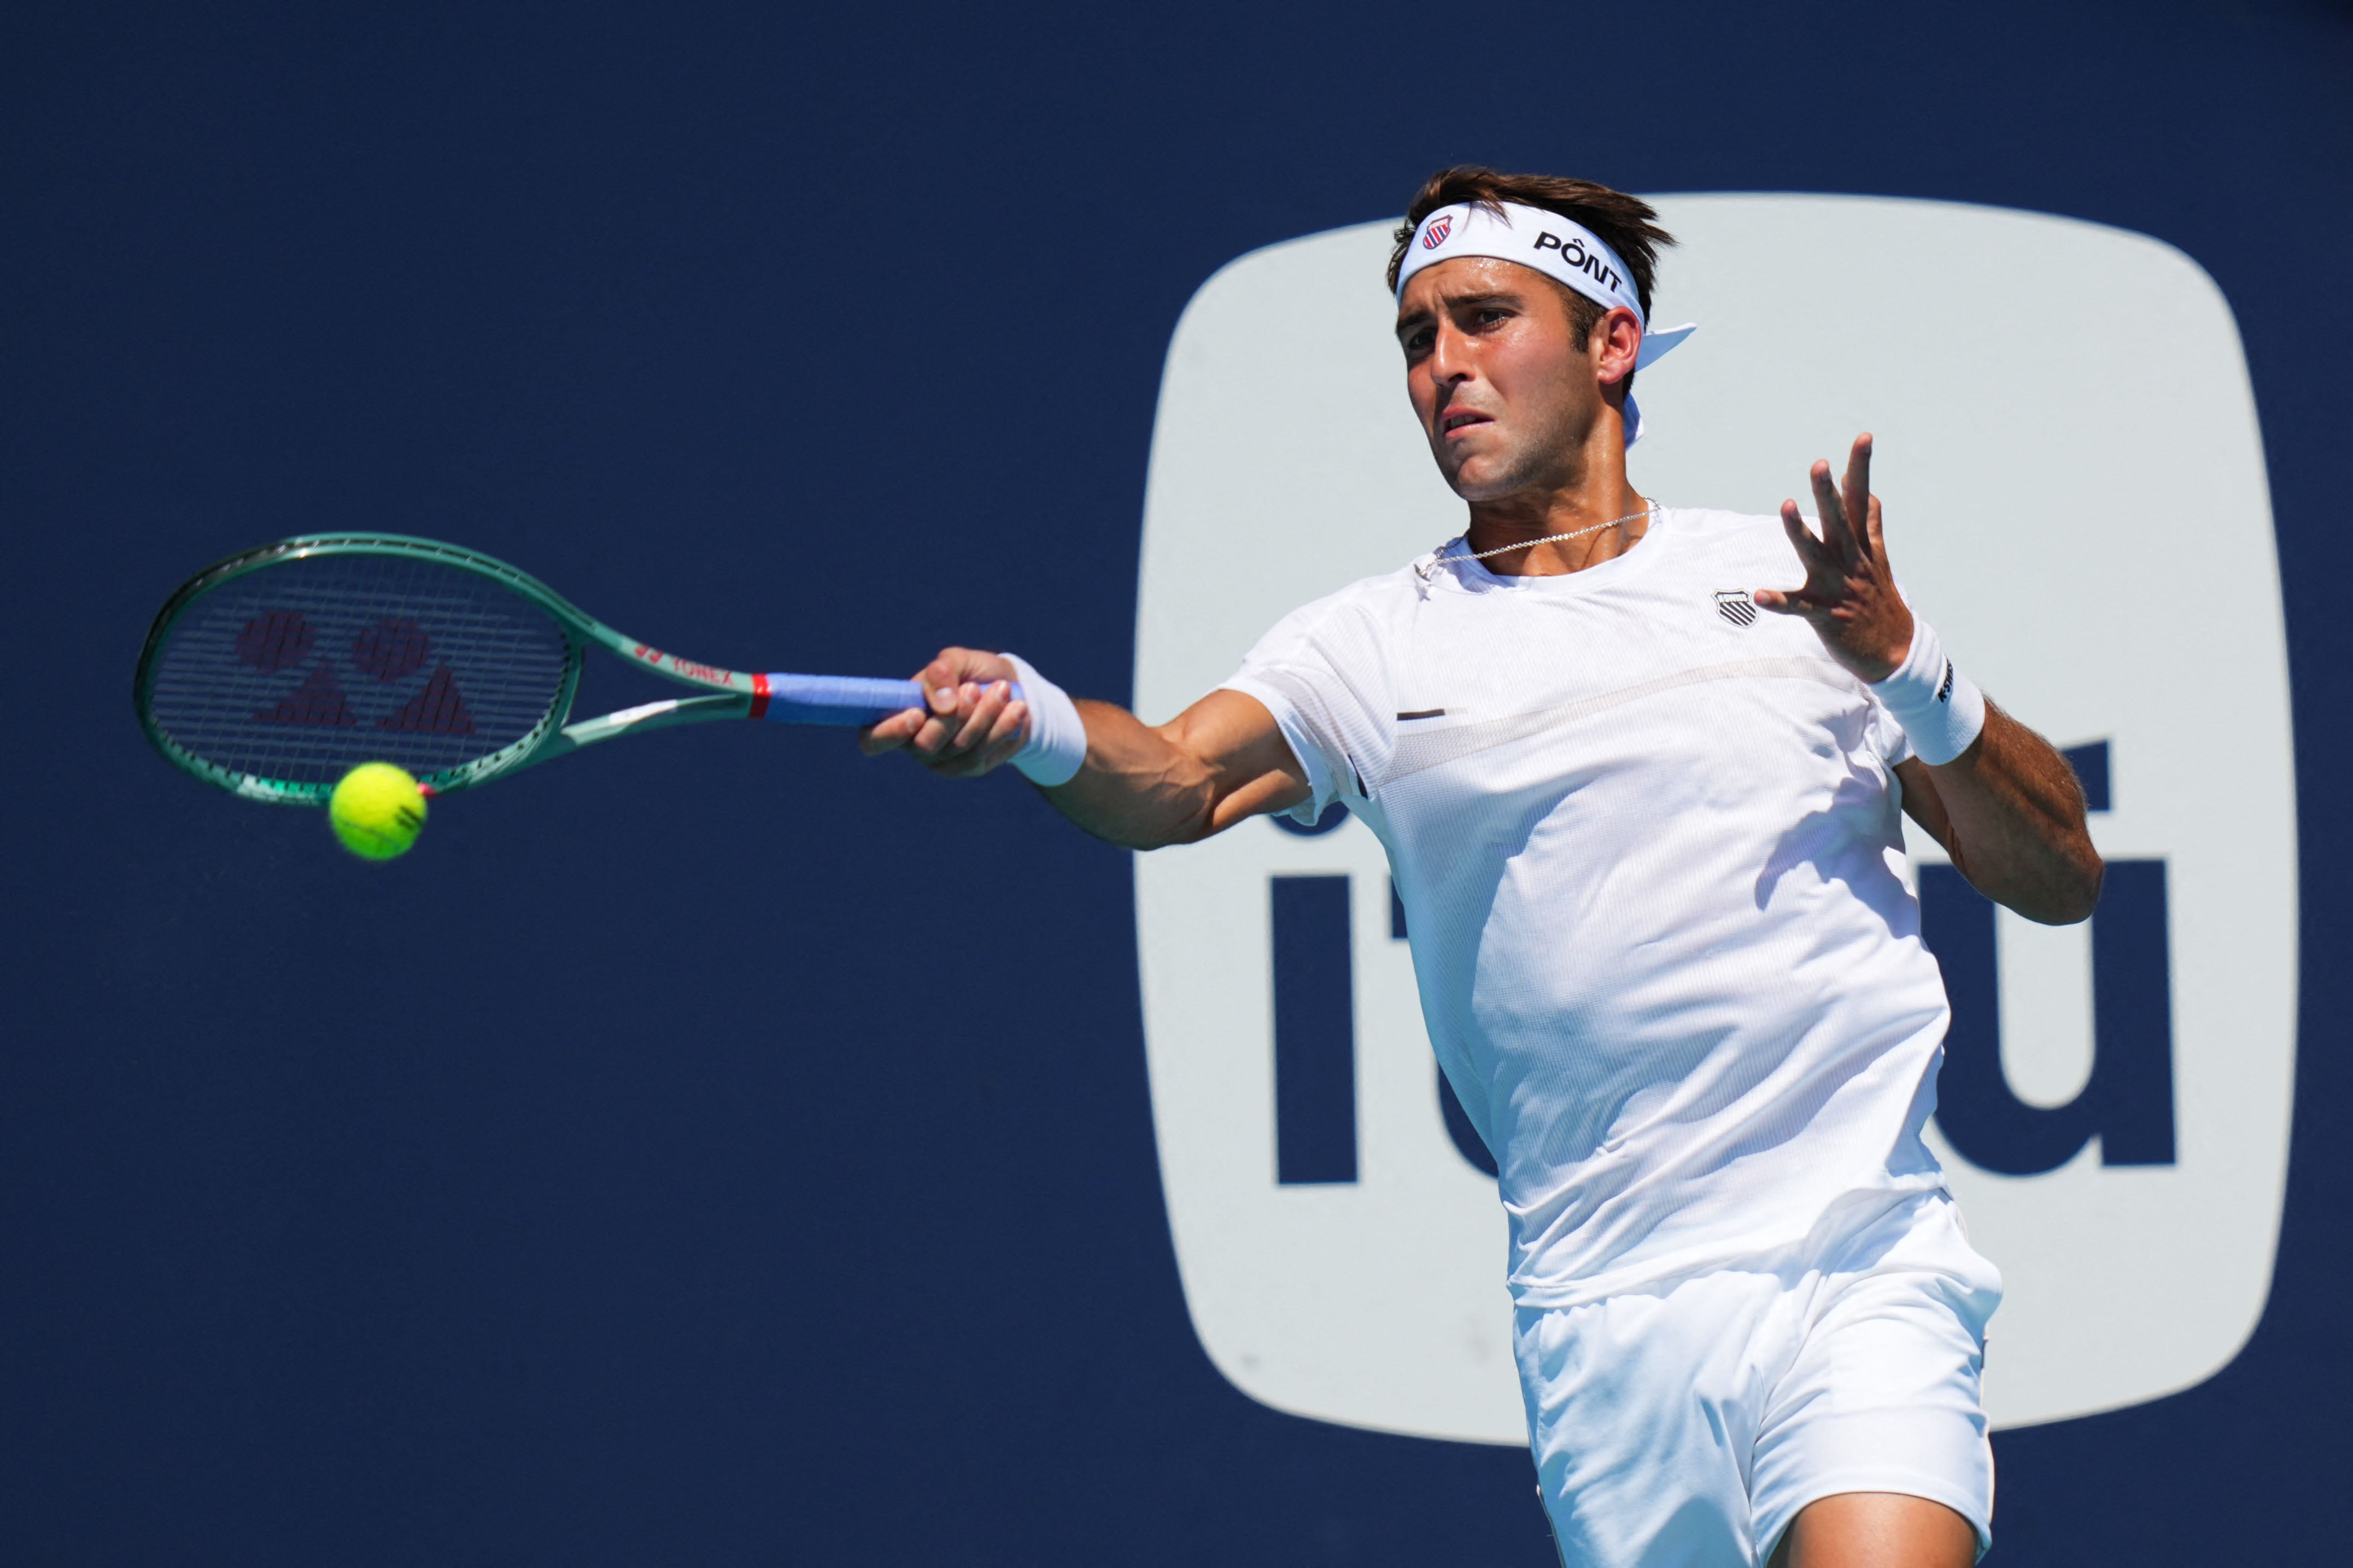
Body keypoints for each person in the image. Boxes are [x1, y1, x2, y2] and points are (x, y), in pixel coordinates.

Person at [859, 166, 2101, 1567]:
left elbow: (2060, 873)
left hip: (1858, 1273)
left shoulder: (1794, 589)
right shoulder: (1373, 645)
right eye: (1415, 337)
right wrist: (1031, 718)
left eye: (1483, 318)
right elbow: (1177, 778)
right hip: (1601, 1328)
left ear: (1611, 344)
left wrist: (1906, 664)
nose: (1441, 366)